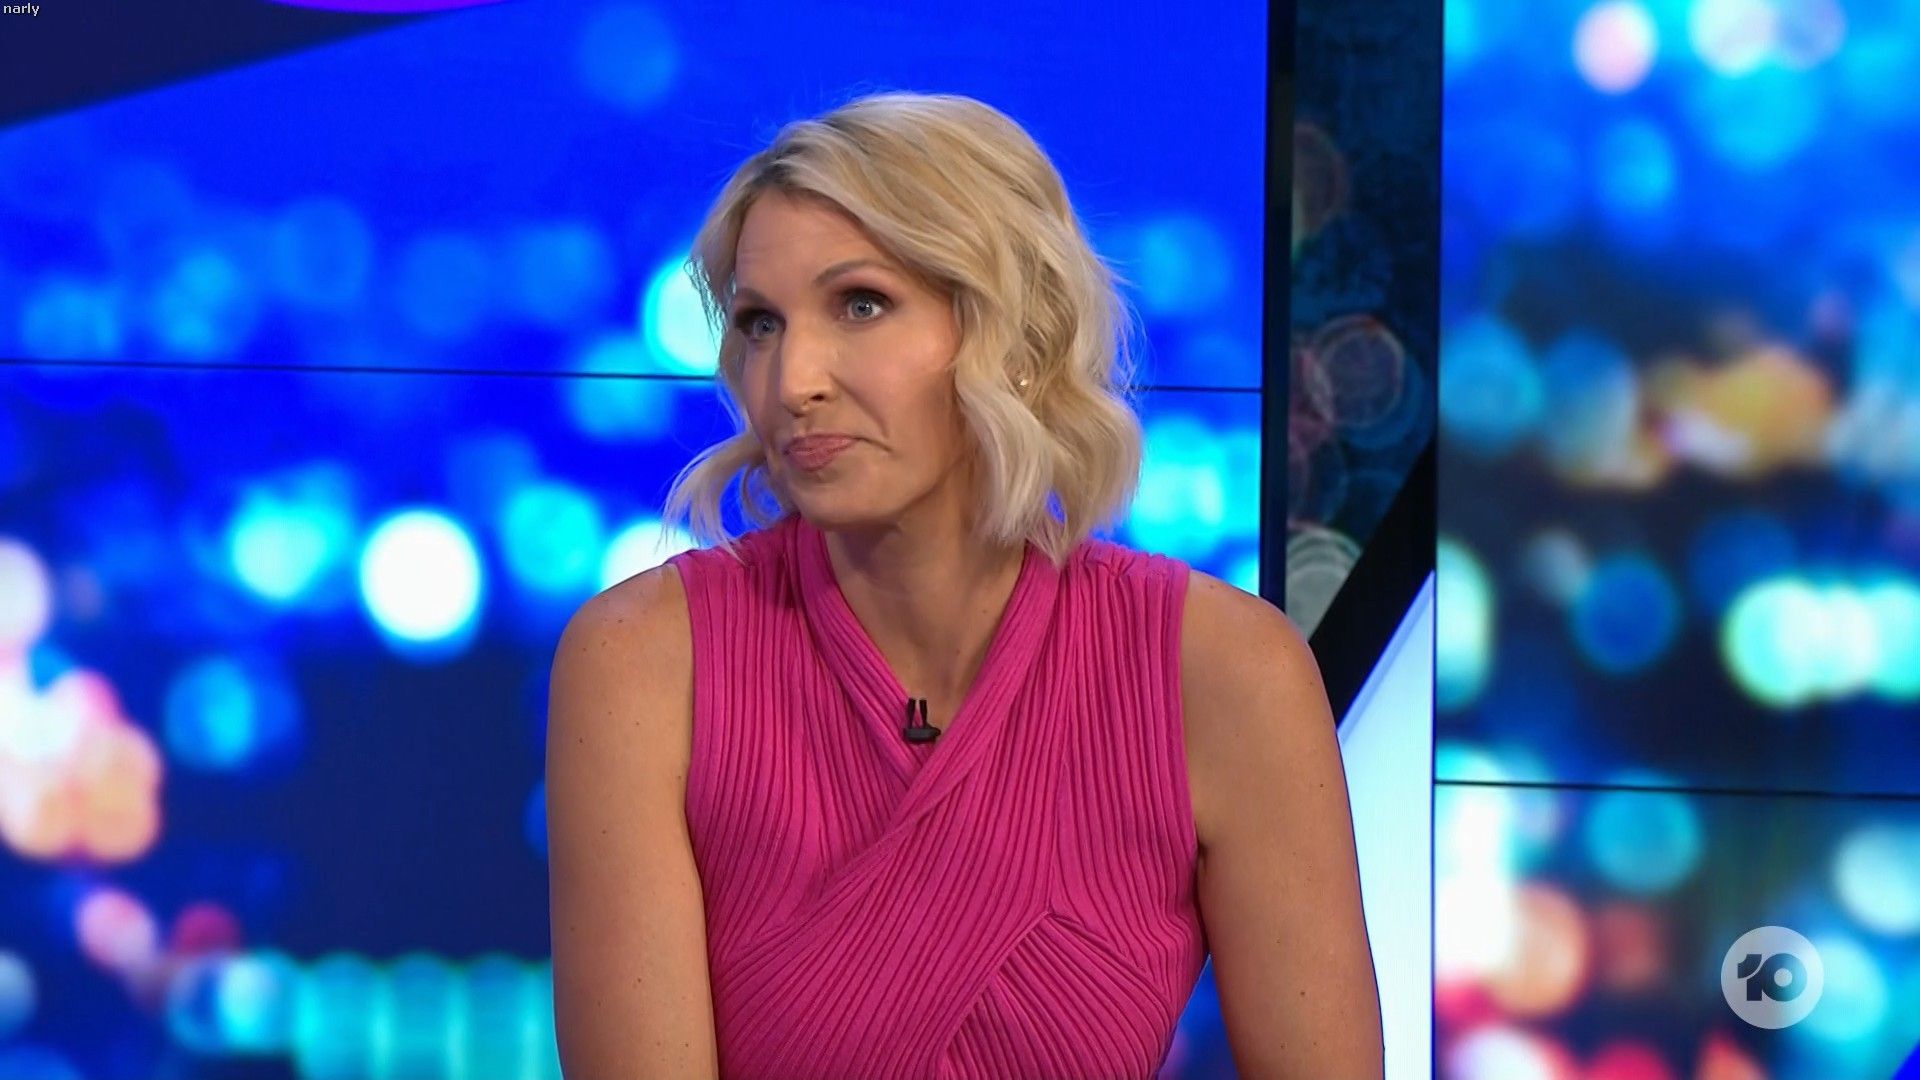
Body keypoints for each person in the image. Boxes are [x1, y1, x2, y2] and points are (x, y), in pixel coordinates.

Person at [545, 90, 1383, 1079]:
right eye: (761, 323)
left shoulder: (1226, 673)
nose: (794, 379)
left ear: (1014, 337)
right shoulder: (644, 663)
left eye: (861, 305)